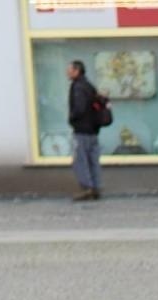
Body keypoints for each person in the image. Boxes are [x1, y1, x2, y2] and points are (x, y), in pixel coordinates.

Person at [66, 60, 102, 202]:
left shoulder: (78, 87)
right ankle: (96, 187)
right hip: (93, 130)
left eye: (69, 69)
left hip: (82, 130)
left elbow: (79, 108)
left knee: (80, 160)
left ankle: (87, 189)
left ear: (77, 71)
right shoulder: (89, 86)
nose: (67, 72)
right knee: (93, 160)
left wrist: (71, 118)